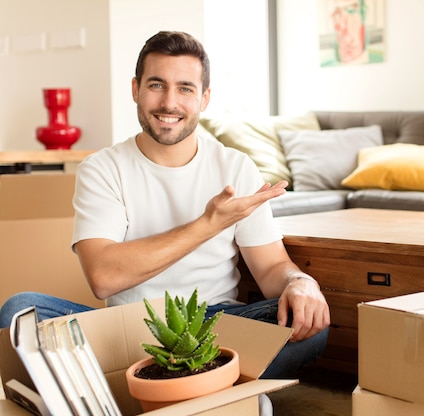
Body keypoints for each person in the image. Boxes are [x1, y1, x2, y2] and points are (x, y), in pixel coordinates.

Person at [0, 31, 330, 383]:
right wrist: (208, 224)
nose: (169, 102)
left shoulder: (235, 166)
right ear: (135, 90)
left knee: (309, 324)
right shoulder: (103, 168)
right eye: (156, 85)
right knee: (20, 312)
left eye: (185, 88)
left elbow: (271, 270)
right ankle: (208, 386)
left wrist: (300, 282)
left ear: (204, 98)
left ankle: (146, 386)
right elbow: (104, 277)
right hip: (128, 330)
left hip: (213, 330)